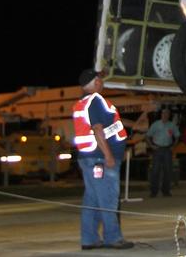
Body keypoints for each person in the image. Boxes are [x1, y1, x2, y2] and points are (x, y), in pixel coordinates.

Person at [72, 68, 134, 250]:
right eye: (100, 78)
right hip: (100, 159)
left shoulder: (82, 103)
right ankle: (113, 238)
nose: (102, 81)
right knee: (108, 198)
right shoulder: (96, 101)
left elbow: (104, 128)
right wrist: (109, 156)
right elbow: (98, 129)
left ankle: (89, 239)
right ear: (96, 82)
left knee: (92, 199)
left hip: (89, 158)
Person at [146, 108, 180, 197]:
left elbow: (177, 136)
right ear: (161, 115)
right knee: (155, 171)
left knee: (168, 171)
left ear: (169, 115)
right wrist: (152, 146)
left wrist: (173, 146)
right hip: (157, 149)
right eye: (164, 113)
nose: (165, 115)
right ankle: (154, 191)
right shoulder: (156, 125)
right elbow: (148, 136)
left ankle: (166, 191)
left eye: (167, 114)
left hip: (167, 149)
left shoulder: (172, 125)